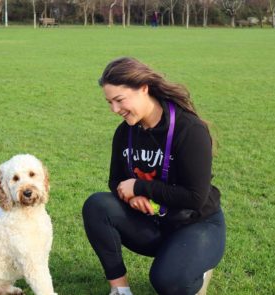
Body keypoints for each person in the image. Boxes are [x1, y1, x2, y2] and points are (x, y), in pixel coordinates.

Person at [82, 57, 226, 295]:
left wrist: (140, 187)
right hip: (154, 223)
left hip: (196, 224)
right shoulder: (125, 132)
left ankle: (196, 267)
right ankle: (120, 291)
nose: (114, 110)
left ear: (143, 89)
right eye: (109, 102)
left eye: (119, 100)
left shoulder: (188, 130)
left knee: (168, 282)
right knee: (97, 206)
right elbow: (115, 180)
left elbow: (195, 197)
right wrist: (130, 196)